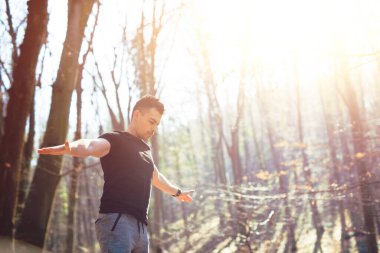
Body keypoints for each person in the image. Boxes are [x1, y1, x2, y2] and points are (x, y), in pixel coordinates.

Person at [38, 95, 194, 253]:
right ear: (137, 115)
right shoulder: (114, 139)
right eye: (151, 122)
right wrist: (71, 147)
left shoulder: (145, 151)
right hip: (118, 221)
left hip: (141, 228)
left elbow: (156, 177)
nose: (153, 129)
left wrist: (177, 192)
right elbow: (90, 145)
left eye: (157, 125)